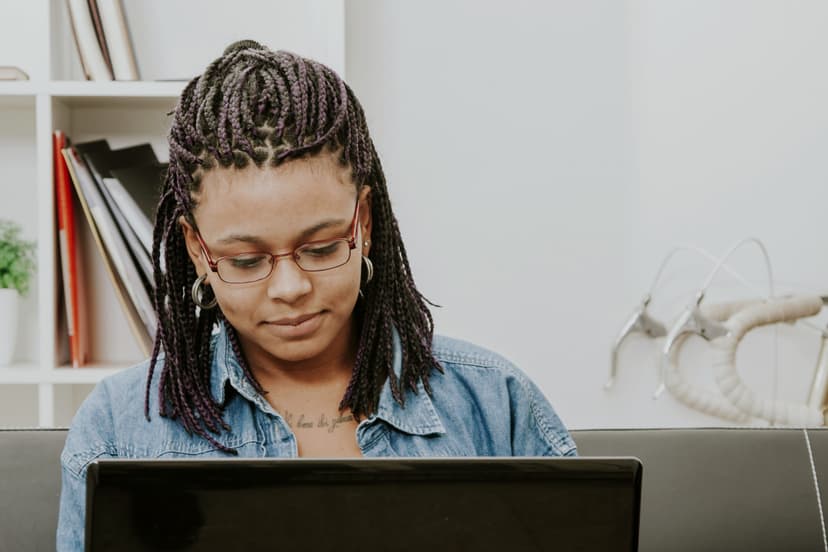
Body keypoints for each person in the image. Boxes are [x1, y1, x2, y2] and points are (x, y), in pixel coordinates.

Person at [57, 40, 576, 549]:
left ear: (364, 223)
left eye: (323, 248)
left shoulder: (494, 405)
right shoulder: (119, 427)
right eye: (245, 260)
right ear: (198, 250)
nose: (290, 289)